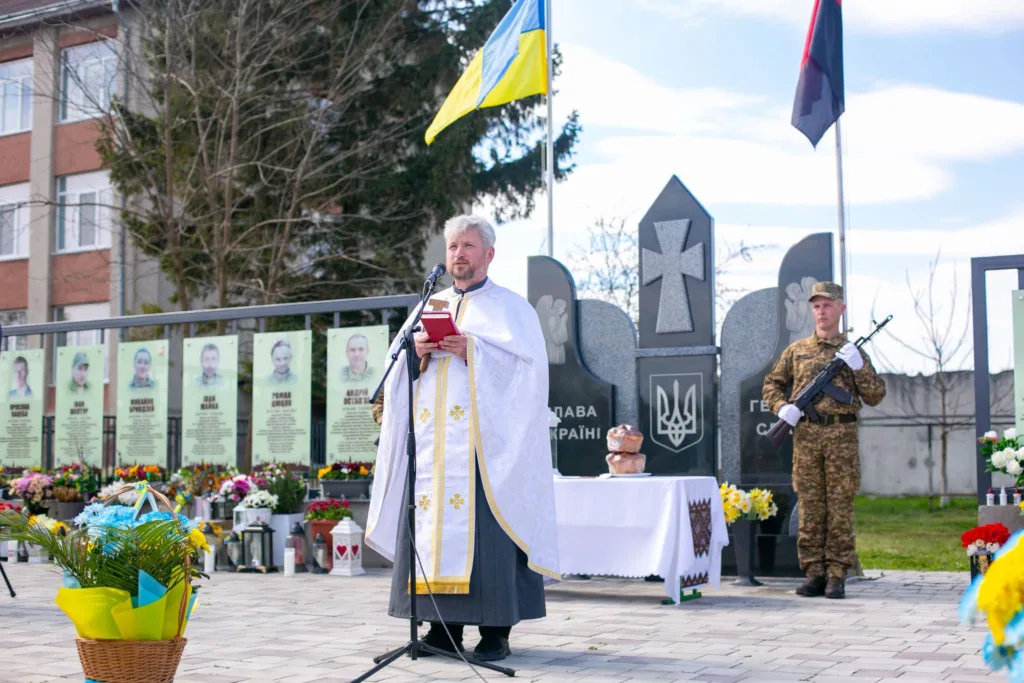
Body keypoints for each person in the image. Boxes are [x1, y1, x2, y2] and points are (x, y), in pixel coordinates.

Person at [365, 214, 558, 662]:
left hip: (483, 452)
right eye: (453, 247)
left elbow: (529, 375)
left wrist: (472, 350)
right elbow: (394, 380)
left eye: (468, 246)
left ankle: (496, 633)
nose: (458, 254)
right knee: (433, 534)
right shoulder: (427, 307)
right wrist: (418, 354)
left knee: (489, 539)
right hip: (433, 451)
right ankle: (439, 627)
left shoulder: (511, 308)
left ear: (488, 254)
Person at [762, 282, 886, 600]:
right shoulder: (797, 351)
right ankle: (814, 572)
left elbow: (875, 395)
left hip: (841, 437)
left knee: (840, 507)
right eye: (816, 305)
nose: (821, 310)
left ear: (841, 309)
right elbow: (771, 384)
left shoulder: (854, 353)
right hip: (807, 438)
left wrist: (858, 368)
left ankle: (837, 574)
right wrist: (783, 407)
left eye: (828, 304)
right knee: (811, 507)